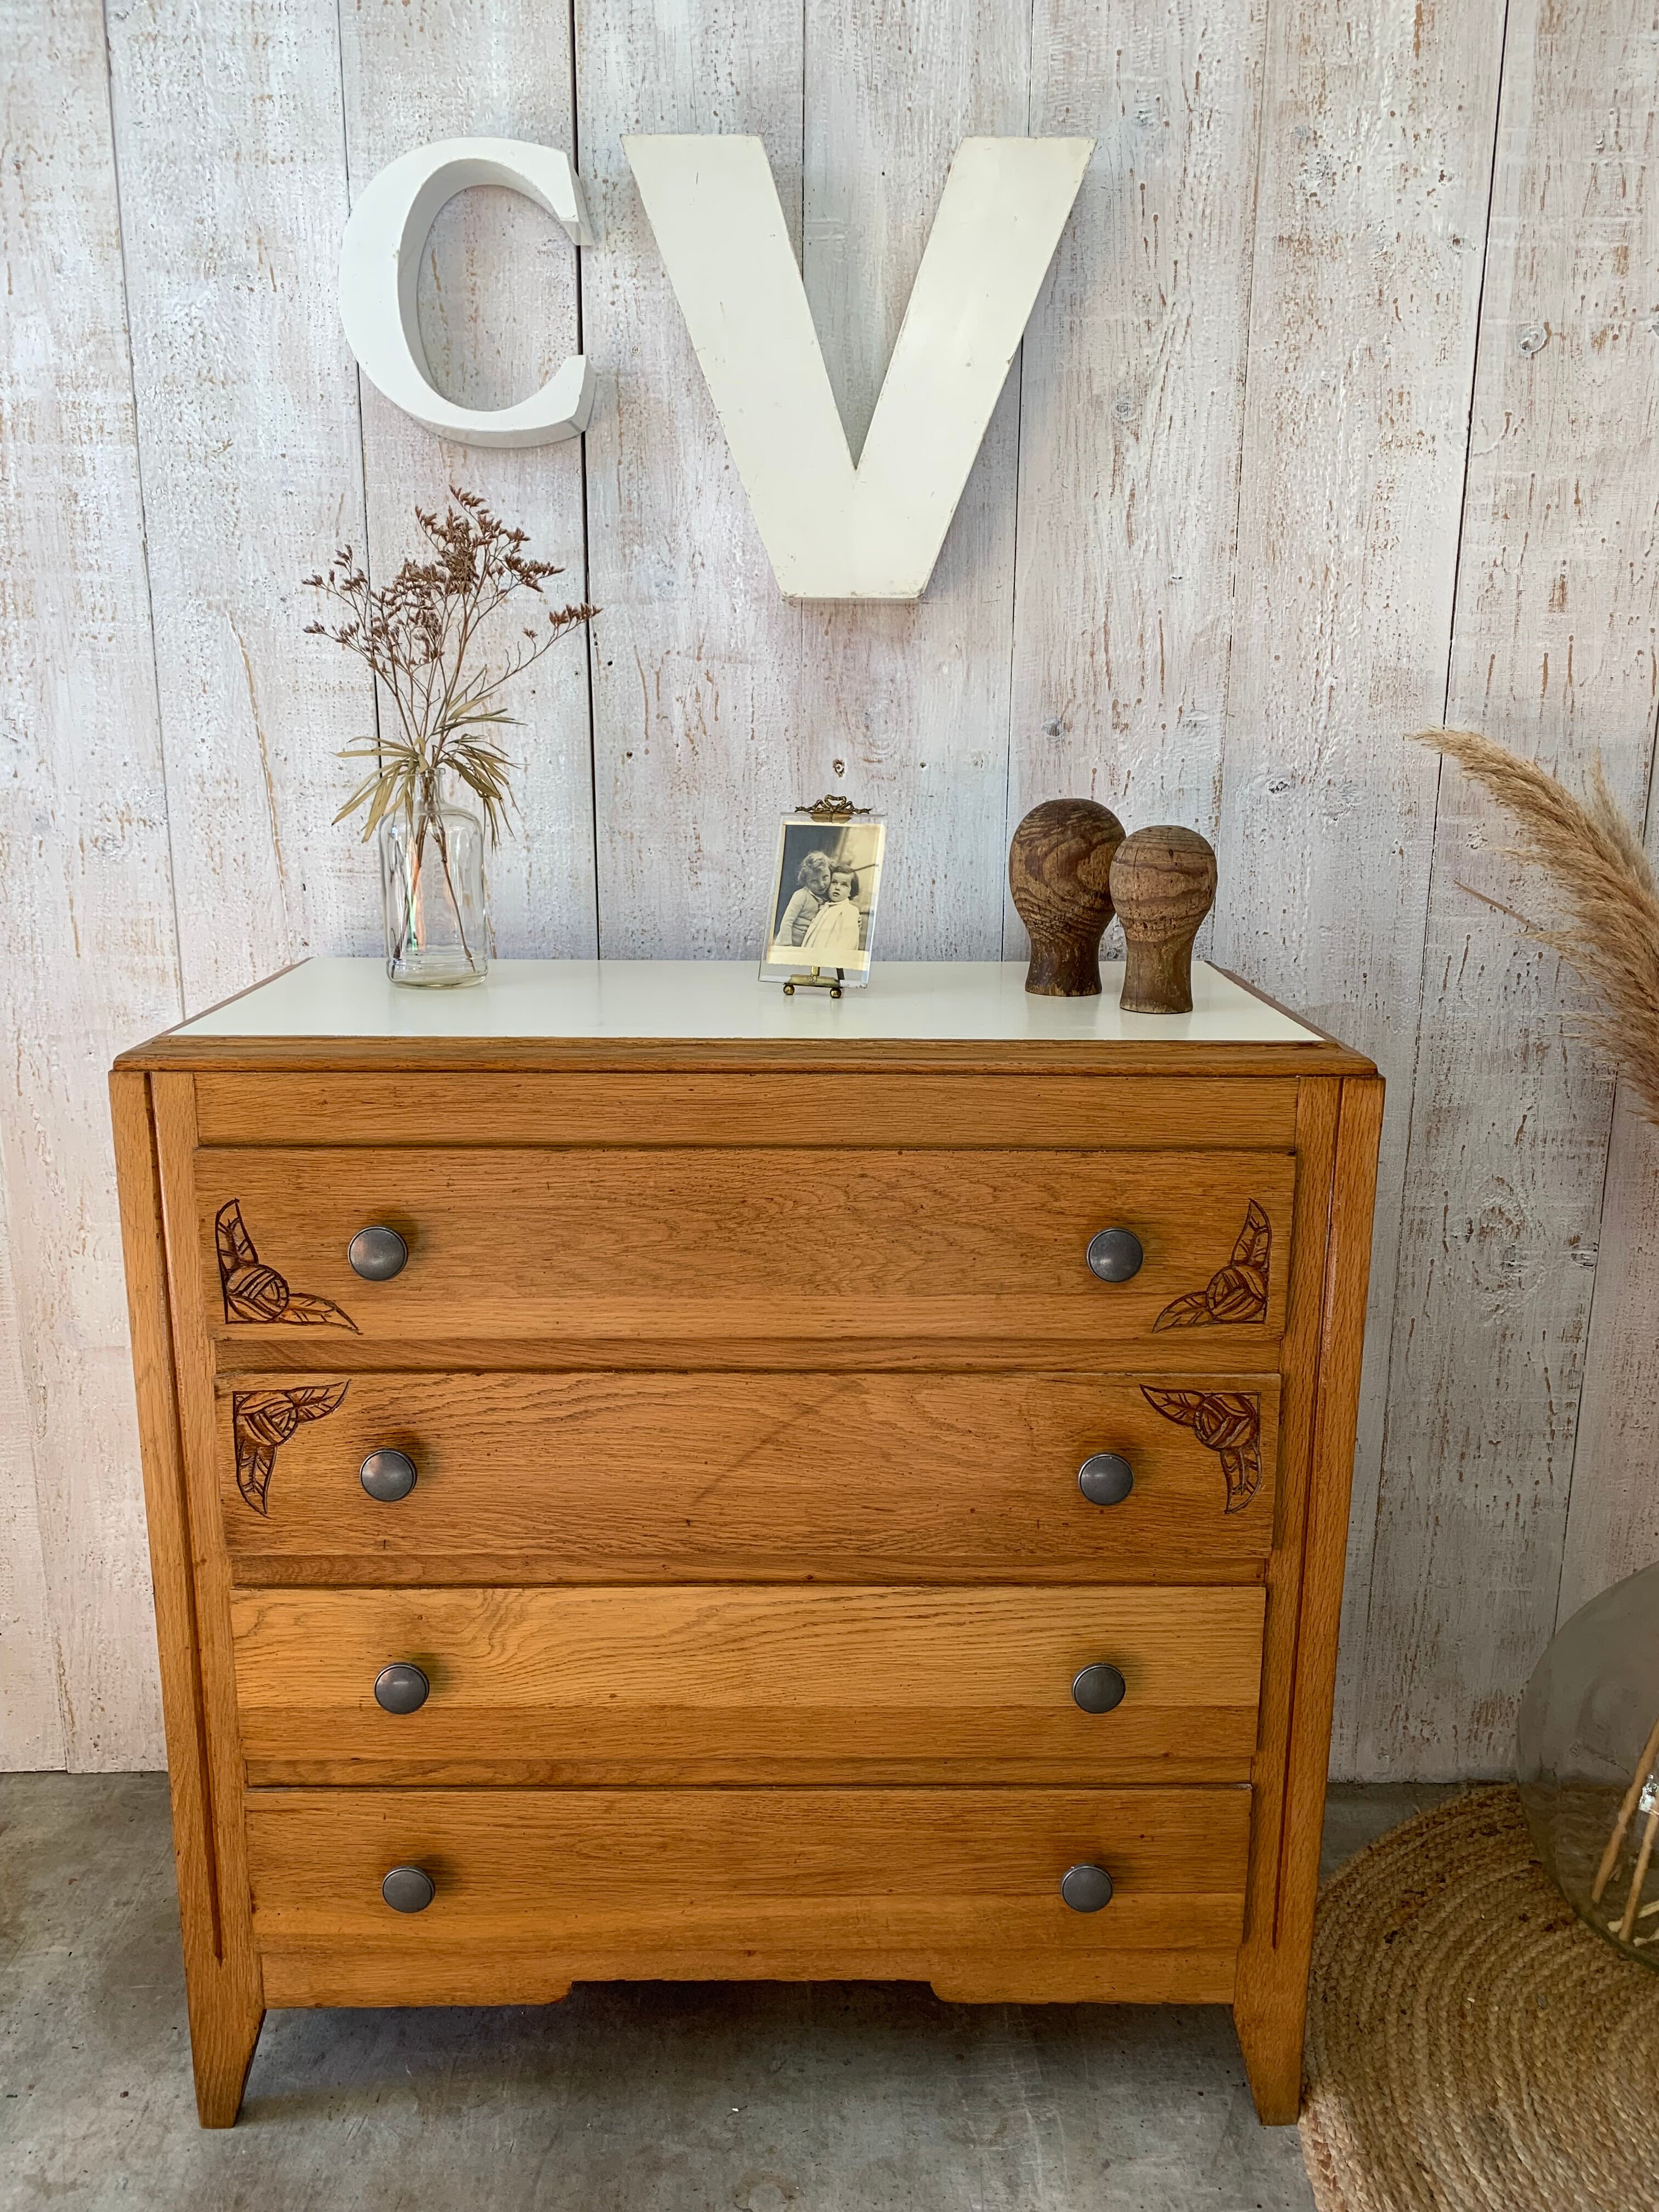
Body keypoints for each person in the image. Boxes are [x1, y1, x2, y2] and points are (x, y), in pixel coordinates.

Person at [772, 849, 832, 952]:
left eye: (825, 877)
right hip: (789, 946)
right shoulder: (801, 896)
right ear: (806, 881)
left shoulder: (828, 896)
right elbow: (787, 922)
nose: (822, 884)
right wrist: (787, 946)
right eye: (814, 881)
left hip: (806, 947)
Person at [799, 865, 861, 960]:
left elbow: (848, 942)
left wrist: (834, 960)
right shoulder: (825, 906)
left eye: (844, 885)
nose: (837, 888)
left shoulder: (850, 911)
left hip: (829, 960)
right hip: (811, 957)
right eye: (834, 883)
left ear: (851, 892)